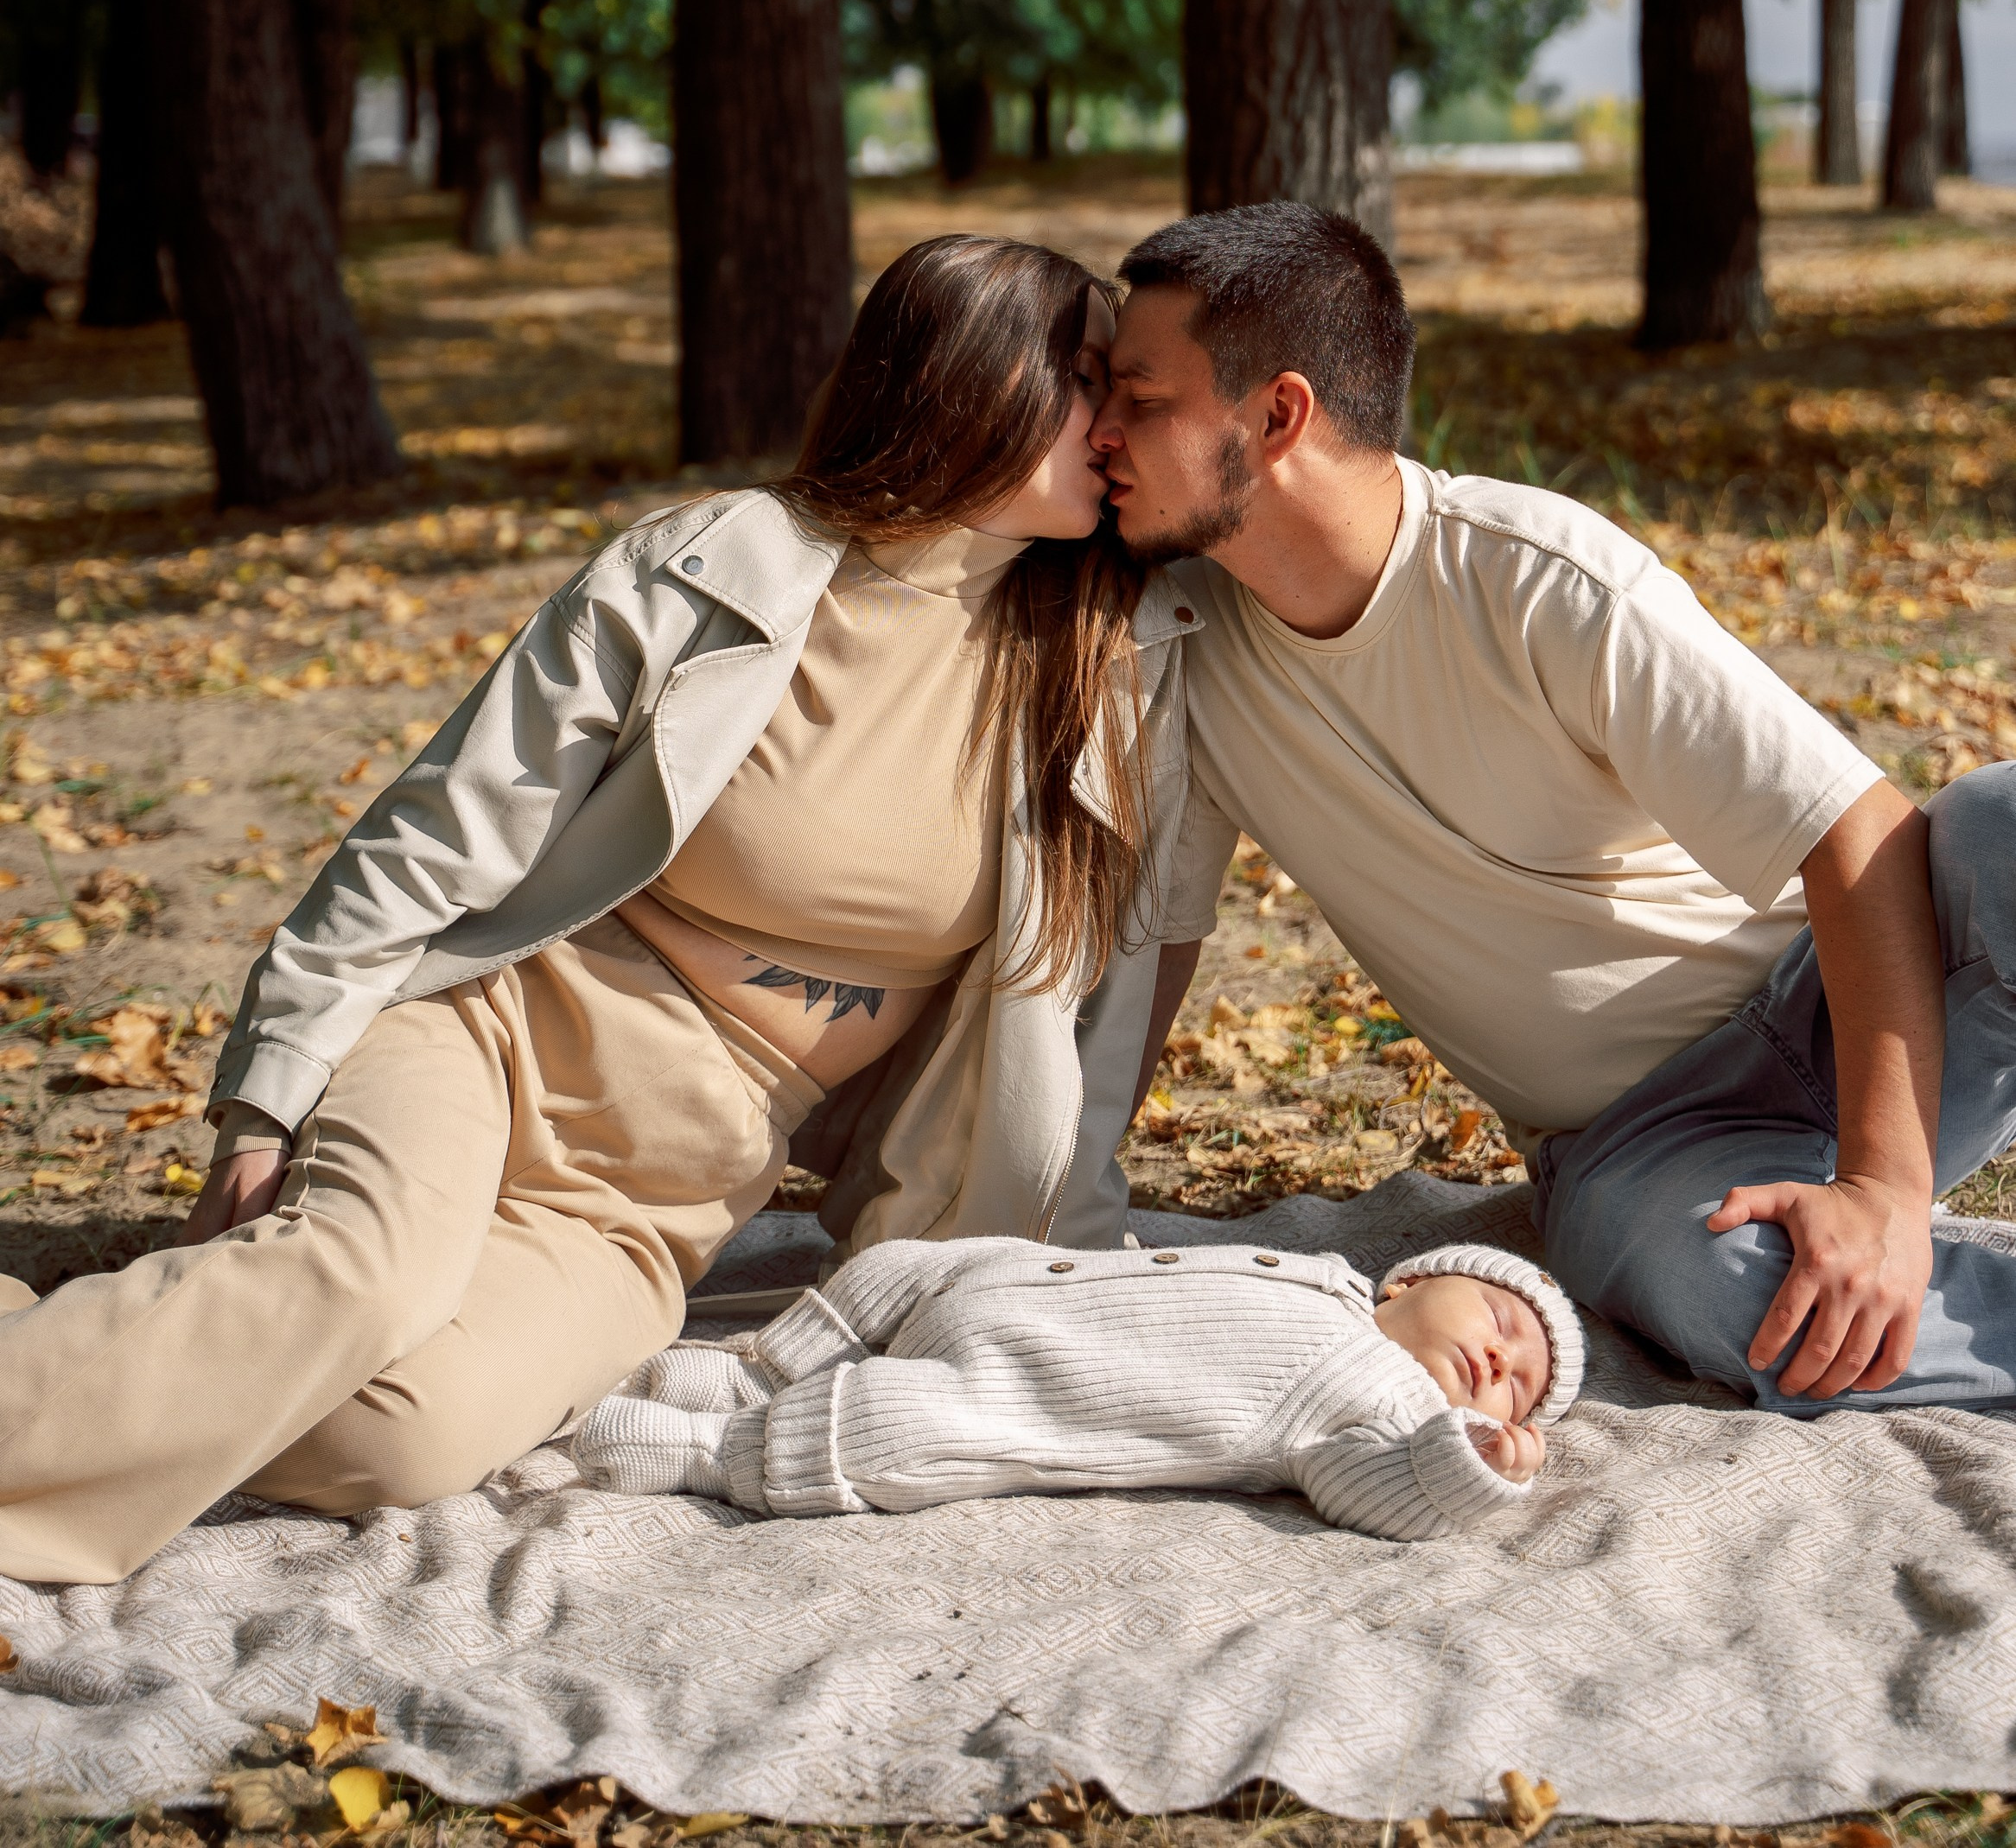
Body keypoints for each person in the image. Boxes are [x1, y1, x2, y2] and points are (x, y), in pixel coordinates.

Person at [0, 236, 1218, 1587]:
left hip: (647, 1202)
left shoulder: (1110, 655)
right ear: (973, 386)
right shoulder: (723, 567)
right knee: (357, 1278)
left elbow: (1104, 1003)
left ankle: (86, 1347)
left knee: (396, 1442)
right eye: (1089, 381)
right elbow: (440, 826)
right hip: (492, 1038)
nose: (1117, 422)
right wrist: (267, 1097)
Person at [1091, 199, 2016, 1416]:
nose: (1098, 431)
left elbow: (1856, 833)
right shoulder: (1187, 653)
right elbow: (1160, 937)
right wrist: (1062, 1205)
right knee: (1730, 1298)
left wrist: (1885, 1190)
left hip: (1844, 1004)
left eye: (1140, 401)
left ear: (1277, 416)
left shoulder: (1536, 579)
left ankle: (1881, 1236)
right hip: (1642, 1150)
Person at [568, 1233, 1584, 1539]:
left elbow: (1378, 1491)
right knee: (897, 1261)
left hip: (1022, 1385)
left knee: (889, 1427)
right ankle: (760, 1370)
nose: (1503, 1363)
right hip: (1019, 1280)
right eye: (1499, 1323)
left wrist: (1467, 1464)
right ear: (1406, 1279)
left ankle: (702, 1452)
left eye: (1518, 1388)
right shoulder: (1327, 1274)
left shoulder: (1385, 1408)